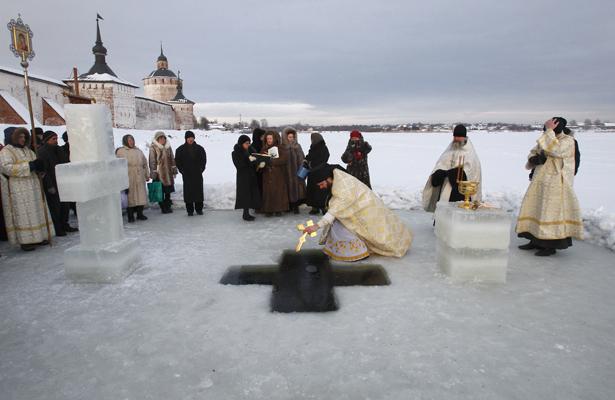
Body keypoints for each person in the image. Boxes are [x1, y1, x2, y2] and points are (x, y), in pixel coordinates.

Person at [303, 164, 413, 261]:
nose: (321, 187)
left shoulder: (342, 188)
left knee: (346, 229)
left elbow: (334, 211)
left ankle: (356, 253)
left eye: (321, 184)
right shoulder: (336, 175)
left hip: (365, 210)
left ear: (328, 178)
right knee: (338, 225)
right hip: (362, 206)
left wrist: (316, 226)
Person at [516, 118, 583, 256]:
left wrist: (549, 131)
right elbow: (536, 150)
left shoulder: (568, 141)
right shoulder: (547, 137)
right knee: (536, 209)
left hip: (556, 184)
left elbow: (554, 150)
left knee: (549, 214)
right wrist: (534, 159)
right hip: (540, 180)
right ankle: (534, 240)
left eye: (550, 128)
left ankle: (549, 246)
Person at [0, 127, 54, 251]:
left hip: (34, 185)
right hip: (18, 188)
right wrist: (29, 166)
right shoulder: (6, 151)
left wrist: (40, 168)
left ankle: (40, 236)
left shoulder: (28, 151)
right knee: (24, 214)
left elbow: (36, 165)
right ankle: (26, 241)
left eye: (24, 137)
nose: (23, 139)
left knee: (37, 210)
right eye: (20, 137)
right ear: (12, 137)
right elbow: (6, 168)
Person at [422, 124, 482, 212]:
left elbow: (470, 172)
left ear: (464, 137)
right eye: (455, 136)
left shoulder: (470, 153)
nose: (456, 138)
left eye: (459, 136)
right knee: (443, 211)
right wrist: (438, 173)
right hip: (446, 187)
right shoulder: (450, 149)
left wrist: (449, 173)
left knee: (458, 212)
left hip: (460, 192)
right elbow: (441, 164)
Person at [37, 130, 78, 235]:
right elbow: (44, 171)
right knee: (55, 207)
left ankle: (64, 224)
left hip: (62, 182)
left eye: (56, 139)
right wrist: (49, 185)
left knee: (65, 206)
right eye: (53, 139)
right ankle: (57, 227)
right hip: (52, 182)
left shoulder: (59, 149)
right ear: (47, 140)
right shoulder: (42, 152)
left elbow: (65, 164)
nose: (56, 141)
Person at [116, 134, 150, 222]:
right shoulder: (121, 152)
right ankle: (130, 216)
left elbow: (145, 164)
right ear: (125, 141)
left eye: (132, 140)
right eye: (129, 140)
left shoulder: (138, 151)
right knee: (130, 197)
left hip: (139, 176)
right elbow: (117, 166)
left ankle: (140, 214)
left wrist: (147, 175)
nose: (131, 142)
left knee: (140, 196)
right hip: (128, 176)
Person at [175, 131, 207, 216]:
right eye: (189, 138)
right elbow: (178, 161)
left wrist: (201, 169)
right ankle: (190, 210)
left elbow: (204, 160)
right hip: (187, 175)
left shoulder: (200, 148)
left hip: (197, 174)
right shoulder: (180, 149)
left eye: (192, 137)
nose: (190, 139)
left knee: (198, 192)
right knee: (188, 193)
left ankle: (199, 209)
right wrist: (182, 171)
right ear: (186, 139)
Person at [232, 135, 262, 221]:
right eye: (246, 143)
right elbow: (239, 165)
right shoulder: (235, 153)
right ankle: (245, 214)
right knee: (245, 194)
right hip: (243, 177)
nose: (248, 145)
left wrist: (258, 162)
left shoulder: (250, 150)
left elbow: (256, 159)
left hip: (252, 175)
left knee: (252, 193)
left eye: (249, 143)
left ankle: (251, 211)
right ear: (241, 143)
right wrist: (249, 160)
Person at [260, 131, 289, 216]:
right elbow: (261, 159)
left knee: (278, 192)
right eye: (267, 138)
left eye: (270, 138)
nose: (269, 140)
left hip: (278, 174)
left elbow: (284, 160)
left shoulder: (280, 148)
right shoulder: (264, 148)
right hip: (267, 175)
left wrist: (272, 161)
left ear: (274, 139)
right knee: (268, 192)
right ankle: (269, 210)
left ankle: (278, 209)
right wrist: (261, 163)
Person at [149, 131, 177, 214]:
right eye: (160, 138)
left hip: (168, 173)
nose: (162, 139)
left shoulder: (168, 147)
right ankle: (163, 207)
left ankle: (168, 206)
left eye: (163, 138)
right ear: (157, 139)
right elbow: (152, 160)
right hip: (159, 173)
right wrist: (153, 171)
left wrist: (174, 168)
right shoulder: (153, 147)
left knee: (168, 191)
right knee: (160, 191)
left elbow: (172, 158)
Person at [281, 127, 307, 214]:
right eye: (289, 137)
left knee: (297, 189)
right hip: (287, 172)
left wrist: (302, 166)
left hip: (297, 171)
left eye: (292, 137)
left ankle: (296, 206)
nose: (291, 139)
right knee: (288, 188)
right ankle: (288, 206)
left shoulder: (298, 146)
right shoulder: (283, 147)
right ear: (285, 137)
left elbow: (302, 157)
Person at [305, 132, 330, 215]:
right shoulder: (312, 147)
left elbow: (325, 158)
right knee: (312, 190)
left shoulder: (323, 147)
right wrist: (306, 160)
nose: (311, 141)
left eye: (312, 139)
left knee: (321, 190)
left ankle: (323, 207)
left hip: (321, 172)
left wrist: (315, 165)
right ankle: (314, 207)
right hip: (312, 173)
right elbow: (309, 156)